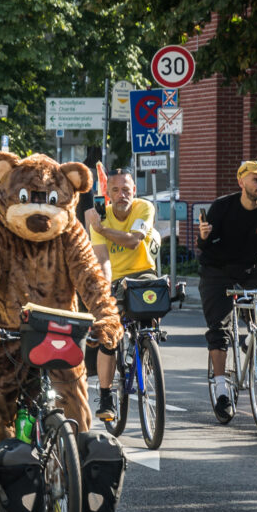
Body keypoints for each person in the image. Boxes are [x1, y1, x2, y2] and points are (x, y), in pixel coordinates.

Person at [198, 160, 257, 422]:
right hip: (217, 269)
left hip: (251, 267)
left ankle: (255, 337)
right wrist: (203, 236)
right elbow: (204, 245)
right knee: (219, 329)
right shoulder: (222, 207)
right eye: (255, 180)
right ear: (241, 182)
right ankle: (222, 389)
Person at [84, 168, 158, 420]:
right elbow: (102, 260)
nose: (122, 194)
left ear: (134, 191)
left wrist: (103, 229)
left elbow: (134, 240)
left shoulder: (143, 208)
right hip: (114, 276)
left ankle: (147, 347)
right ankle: (106, 397)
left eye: (126, 189)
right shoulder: (97, 216)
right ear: (108, 193)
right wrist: (106, 291)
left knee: (155, 302)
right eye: (115, 190)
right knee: (109, 335)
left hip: (143, 272)